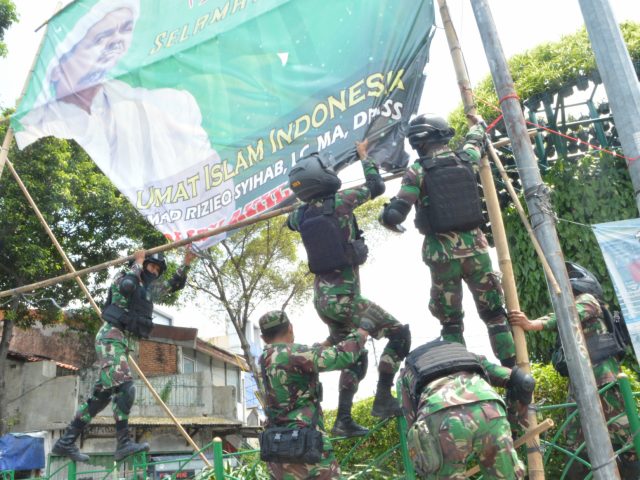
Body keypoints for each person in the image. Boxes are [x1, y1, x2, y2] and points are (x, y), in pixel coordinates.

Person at [14, 0, 234, 243]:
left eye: (125, 29)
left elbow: (216, 188)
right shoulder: (40, 118)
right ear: (58, 64)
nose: (116, 43)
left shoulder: (167, 106)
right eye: (102, 36)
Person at [287, 140, 412, 436]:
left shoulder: (300, 215)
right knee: (398, 334)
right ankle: (383, 397)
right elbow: (376, 186)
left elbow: (291, 222)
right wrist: (364, 157)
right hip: (345, 299)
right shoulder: (342, 201)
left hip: (323, 302)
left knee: (356, 354)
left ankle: (343, 419)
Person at [379, 114, 516, 368]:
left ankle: (462, 373)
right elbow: (476, 140)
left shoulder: (417, 171)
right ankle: (514, 374)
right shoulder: (466, 159)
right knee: (495, 315)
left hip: (441, 256)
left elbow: (396, 214)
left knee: (451, 322)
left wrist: (385, 216)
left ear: (417, 142)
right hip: (476, 251)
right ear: (443, 134)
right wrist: (478, 125)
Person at [52, 247, 196, 463]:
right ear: (142, 264)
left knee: (101, 397)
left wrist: (185, 263)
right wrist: (137, 263)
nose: (154, 272)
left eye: (158, 269)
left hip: (124, 343)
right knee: (126, 388)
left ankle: (65, 442)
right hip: (111, 337)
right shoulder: (126, 277)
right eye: (151, 266)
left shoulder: (148, 290)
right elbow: (127, 287)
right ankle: (123, 443)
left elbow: (171, 285)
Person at [508, 261, 639, 479]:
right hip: (580, 384)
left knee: (626, 439)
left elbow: (568, 315)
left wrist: (532, 324)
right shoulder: (569, 306)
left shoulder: (588, 301)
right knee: (576, 446)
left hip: (603, 379)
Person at [399, 339, 533, 479]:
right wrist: (513, 422)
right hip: (490, 412)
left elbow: (412, 427)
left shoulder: (407, 372)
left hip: (440, 418)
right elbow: (525, 382)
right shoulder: (470, 356)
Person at [259, 310, 369, 480]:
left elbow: (307, 358)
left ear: (263, 337)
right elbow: (342, 356)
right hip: (305, 445)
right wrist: (362, 332)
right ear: (290, 327)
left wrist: (330, 340)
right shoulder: (294, 353)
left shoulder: (264, 358)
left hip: (277, 448)